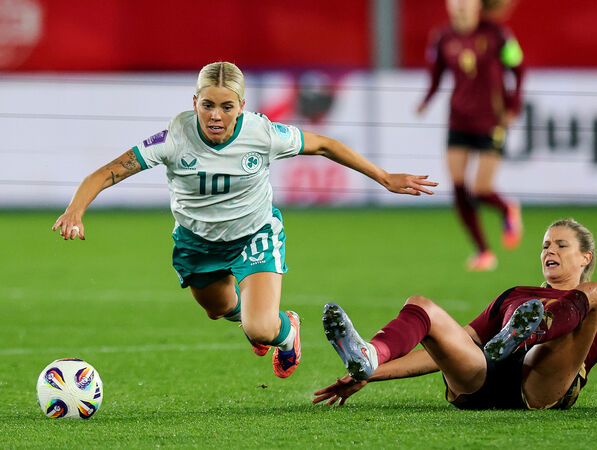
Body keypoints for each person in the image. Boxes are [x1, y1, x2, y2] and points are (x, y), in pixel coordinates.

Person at [52, 61, 437, 380]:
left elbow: (324, 145)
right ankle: (266, 318)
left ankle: (286, 332)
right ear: (194, 102)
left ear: (241, 106)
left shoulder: (262, 132)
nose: (215, 115)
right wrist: (75, 210)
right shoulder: (174, 136)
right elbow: (106, 172)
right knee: (218, 308)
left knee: (260, 329)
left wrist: (383, 177)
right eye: (207, 105)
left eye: (226, 106)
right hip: (197, 242)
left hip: (255, 234)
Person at [313, 218, 597, 409]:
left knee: (592, 295)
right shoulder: (514, 295)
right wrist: (372, 374)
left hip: (540, 386)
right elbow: (446, 349)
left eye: (560, 244)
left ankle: (530, 333)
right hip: (482, 378)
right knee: (422, 306)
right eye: (544, 245)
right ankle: (369, 353)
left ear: (585, 256)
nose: (549, 250)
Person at [417, 0, 525, 271]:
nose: (461, 5)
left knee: (481, 189)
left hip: (491, 120)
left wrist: (513, 106)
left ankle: (507, 209)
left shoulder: (498, 34)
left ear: (478, 5)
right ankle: (483, 252)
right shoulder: (442, 37)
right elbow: (436, 74)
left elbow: (519, 69)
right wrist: (426, 100)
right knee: (458, 187)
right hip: (459, 120)